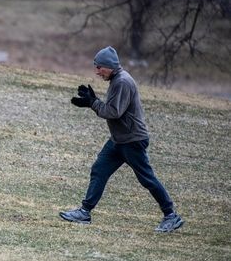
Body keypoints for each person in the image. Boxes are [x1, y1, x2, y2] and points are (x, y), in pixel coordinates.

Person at [60, 46, 184, 233]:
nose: (97, 71)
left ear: (110, 66)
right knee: (99, 169)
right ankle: (84, 212)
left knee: (147, 179)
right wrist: (93, 100)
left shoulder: (123, 82)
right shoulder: (117, 80)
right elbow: (113, 107)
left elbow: (113, 112)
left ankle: (171, 216)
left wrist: (92, 103)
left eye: (99, 67)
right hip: (119, 140)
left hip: (132, 140)